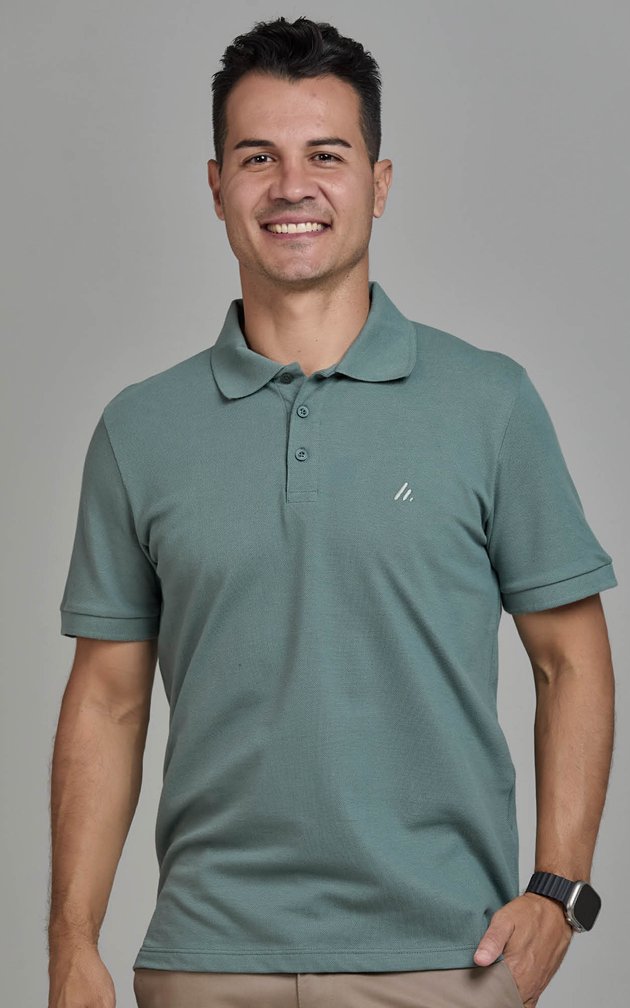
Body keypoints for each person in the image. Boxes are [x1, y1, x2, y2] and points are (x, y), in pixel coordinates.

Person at [48, 15, 618, 1008]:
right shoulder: (140, 430)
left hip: (448, 960)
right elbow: (107, 699)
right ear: (216, 186)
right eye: (256, 157)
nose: (291, 186)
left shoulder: (488, 404)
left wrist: (558, 895)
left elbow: (571, 657)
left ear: (378, 183)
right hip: (204, 961)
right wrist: (71, 942)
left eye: (326, 154)